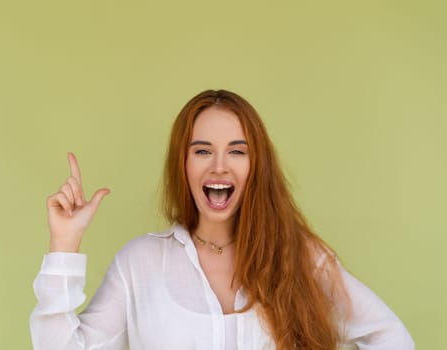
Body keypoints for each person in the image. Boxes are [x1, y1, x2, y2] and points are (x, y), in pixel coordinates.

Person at [30, 90, 415, 350]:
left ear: (256, 166)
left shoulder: (299, 257)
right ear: (183, 164)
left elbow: (391, 338)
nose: (219, 166)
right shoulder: (140, 264)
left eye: (236, 151)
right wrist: (64, 243)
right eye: (202, 151)